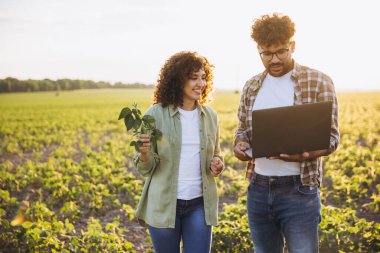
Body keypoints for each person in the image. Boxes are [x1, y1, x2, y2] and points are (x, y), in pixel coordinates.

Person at [233, 13, 339, 253]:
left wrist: (302, 155)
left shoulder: (319, 81)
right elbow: (242, 131)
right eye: (267, 54)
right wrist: (239, 145)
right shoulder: (251, 86)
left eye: (281, 51)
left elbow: (332, 139)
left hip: (299, 191)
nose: (274, 59)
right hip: (258, 190)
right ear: (258, 50)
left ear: (292, 45)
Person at [134, 51, 224, 253]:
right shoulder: (155, 114)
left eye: (203, 77)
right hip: (164, 205)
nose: (200, 83)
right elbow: (145, 169)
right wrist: (144, 153)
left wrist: (217, 163)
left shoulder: (210, 116)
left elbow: (216, 154)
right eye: (193, 78)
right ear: (177, 80)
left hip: (199, 205)